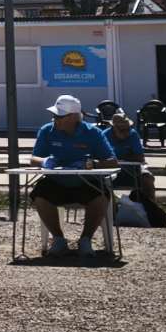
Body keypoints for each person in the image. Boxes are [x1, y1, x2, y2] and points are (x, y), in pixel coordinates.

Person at [27, 94, 119, 258]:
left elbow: (112, 162)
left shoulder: (93, 133)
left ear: (73, 117)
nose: (54, 118)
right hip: (57, 182)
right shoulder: (47, 130)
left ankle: (85, 240)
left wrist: (93, 164)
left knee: (101, 196)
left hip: (86, 182)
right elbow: (33, 159)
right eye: (53, 115)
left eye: (58, 116)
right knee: (39, 195)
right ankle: (58, 239)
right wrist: (44, 162)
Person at [106, 111, 158, 204]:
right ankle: (110, 211)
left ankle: (152, 209)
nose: (126, 133)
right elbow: (100, 157)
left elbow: (140, 157)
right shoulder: (104, 136)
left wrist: (118, 158)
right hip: (111, 173)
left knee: (148, 179)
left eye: (128, 129)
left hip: (132, 172)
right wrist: (129, 156)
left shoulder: (133, 134)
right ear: (113, 128)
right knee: (99, 183)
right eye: (122, 130)